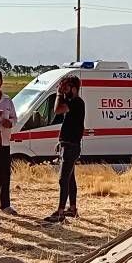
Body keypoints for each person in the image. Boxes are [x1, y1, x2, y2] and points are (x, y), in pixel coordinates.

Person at [43, 75, 84, 223]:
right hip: (69, 144)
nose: (64, 90)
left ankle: (60, 211)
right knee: (70, 179)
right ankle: (72, 208)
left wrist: (59, 94)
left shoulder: (77, 103)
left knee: (63, 179)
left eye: (66, 87)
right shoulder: (74, 102)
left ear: (73, 88)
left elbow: (57, 110)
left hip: (71, 146)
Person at [0, 71, 18, 215]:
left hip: (5, 142)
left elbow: (15, 118)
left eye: (0, 81)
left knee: (4, 175)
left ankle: (5, 205)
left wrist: (10, 122)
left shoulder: (7, 100)